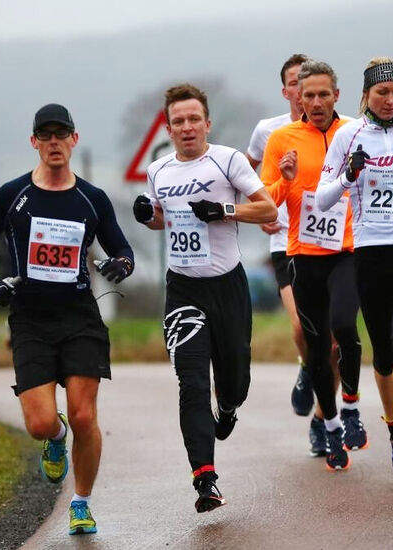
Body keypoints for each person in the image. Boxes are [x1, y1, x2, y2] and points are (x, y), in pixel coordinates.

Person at [0, 103, 135, 536]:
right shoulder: (12, 195)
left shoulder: (92, 199)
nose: (54, 142)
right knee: (42, 422)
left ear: (74, 140)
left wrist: (122, 264)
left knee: (84, 416)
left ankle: (80, 503)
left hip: (80, 315)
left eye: (61, 134)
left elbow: (122, 248)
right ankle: (55, 438)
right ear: (34, 143)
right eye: (45, 136)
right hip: (30, 319)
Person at [133, 84, 277, 512]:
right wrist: (149, 217)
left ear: (207, 123)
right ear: (169, 127)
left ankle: (229, 408)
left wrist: (224, 210)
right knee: (192, 383)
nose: (187, 127)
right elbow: (164, 221)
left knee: (233, 383)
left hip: (228, 286)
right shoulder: (158, 170)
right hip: (183, 289)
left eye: (194, 119)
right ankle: (205, 479)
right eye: (178, 121)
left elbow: (268, 210)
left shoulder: (228, 160)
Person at [316, 57, 393, 479]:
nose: (390, 101)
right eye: (382, 93)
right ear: (366, 95)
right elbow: (323, 199)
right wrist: (349, 176)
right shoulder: (348, 135)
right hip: (371, 252)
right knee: (383, 353)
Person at [260, 59, 367, 470]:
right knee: (317, 346)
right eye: (310, 95)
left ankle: (353, 404)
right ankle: (333, 424)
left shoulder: (356, 132)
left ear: (337, 96)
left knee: (343, 325)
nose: (318, 102)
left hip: (349, 250)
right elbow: (264, 198)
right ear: (297, 98)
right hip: (303, 254)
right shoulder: (281, 139)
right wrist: (284, 178)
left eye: (325, 94)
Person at [245, 53, 316, 417]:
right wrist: (260, 210)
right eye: (294, 82)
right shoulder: (267, 130)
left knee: (333, 339)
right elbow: (243, 172)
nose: (301, 88)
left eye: (307, 81)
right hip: (284, 241)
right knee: (302, 327)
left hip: (328, 242)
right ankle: (308, 366)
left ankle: (327, 420)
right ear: (286, 90)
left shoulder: (336, 129)